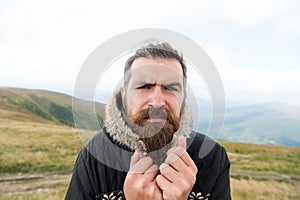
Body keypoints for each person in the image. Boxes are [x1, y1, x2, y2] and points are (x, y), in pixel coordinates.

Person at [66, 42, 231, 200]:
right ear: (124, 97)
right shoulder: (94, 155)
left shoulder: (212, 157)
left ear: (183, 98)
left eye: (171, 88)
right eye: (144, 86)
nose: (158, 101)